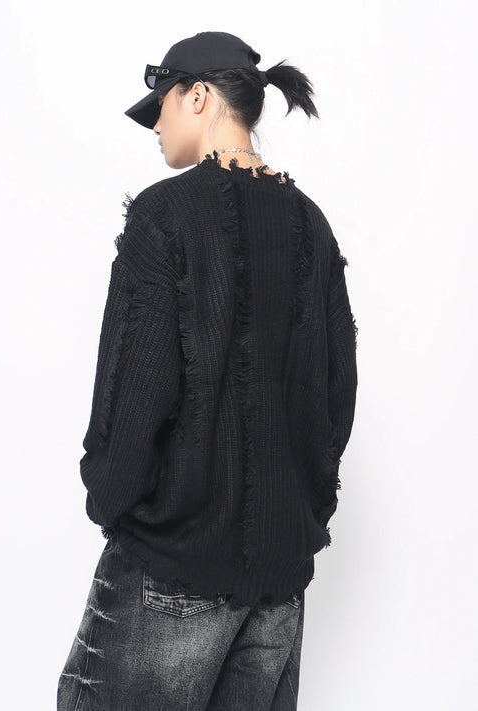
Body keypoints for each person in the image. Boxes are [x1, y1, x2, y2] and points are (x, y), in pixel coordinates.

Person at [57, 30, 358, 711]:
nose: (155, 126)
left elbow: (133, 396)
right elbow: (335, 398)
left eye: (160, 105)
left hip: (172, 568)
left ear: (197, 97)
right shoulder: (312, 225)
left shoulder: (164, 215)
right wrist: (296, 519)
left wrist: (111, 498)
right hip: (278, 586)